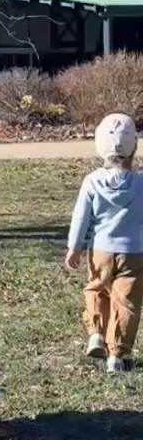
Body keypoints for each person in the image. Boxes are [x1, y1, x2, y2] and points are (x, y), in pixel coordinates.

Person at [66, 111, 143, 375]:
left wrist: (74, 247)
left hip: (99, 250)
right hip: (134, 253)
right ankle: (118, 356)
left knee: (96, 289)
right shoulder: (140, 183)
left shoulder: (92, 181)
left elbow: (80, 217)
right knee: (127, 303)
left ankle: (96, 333)